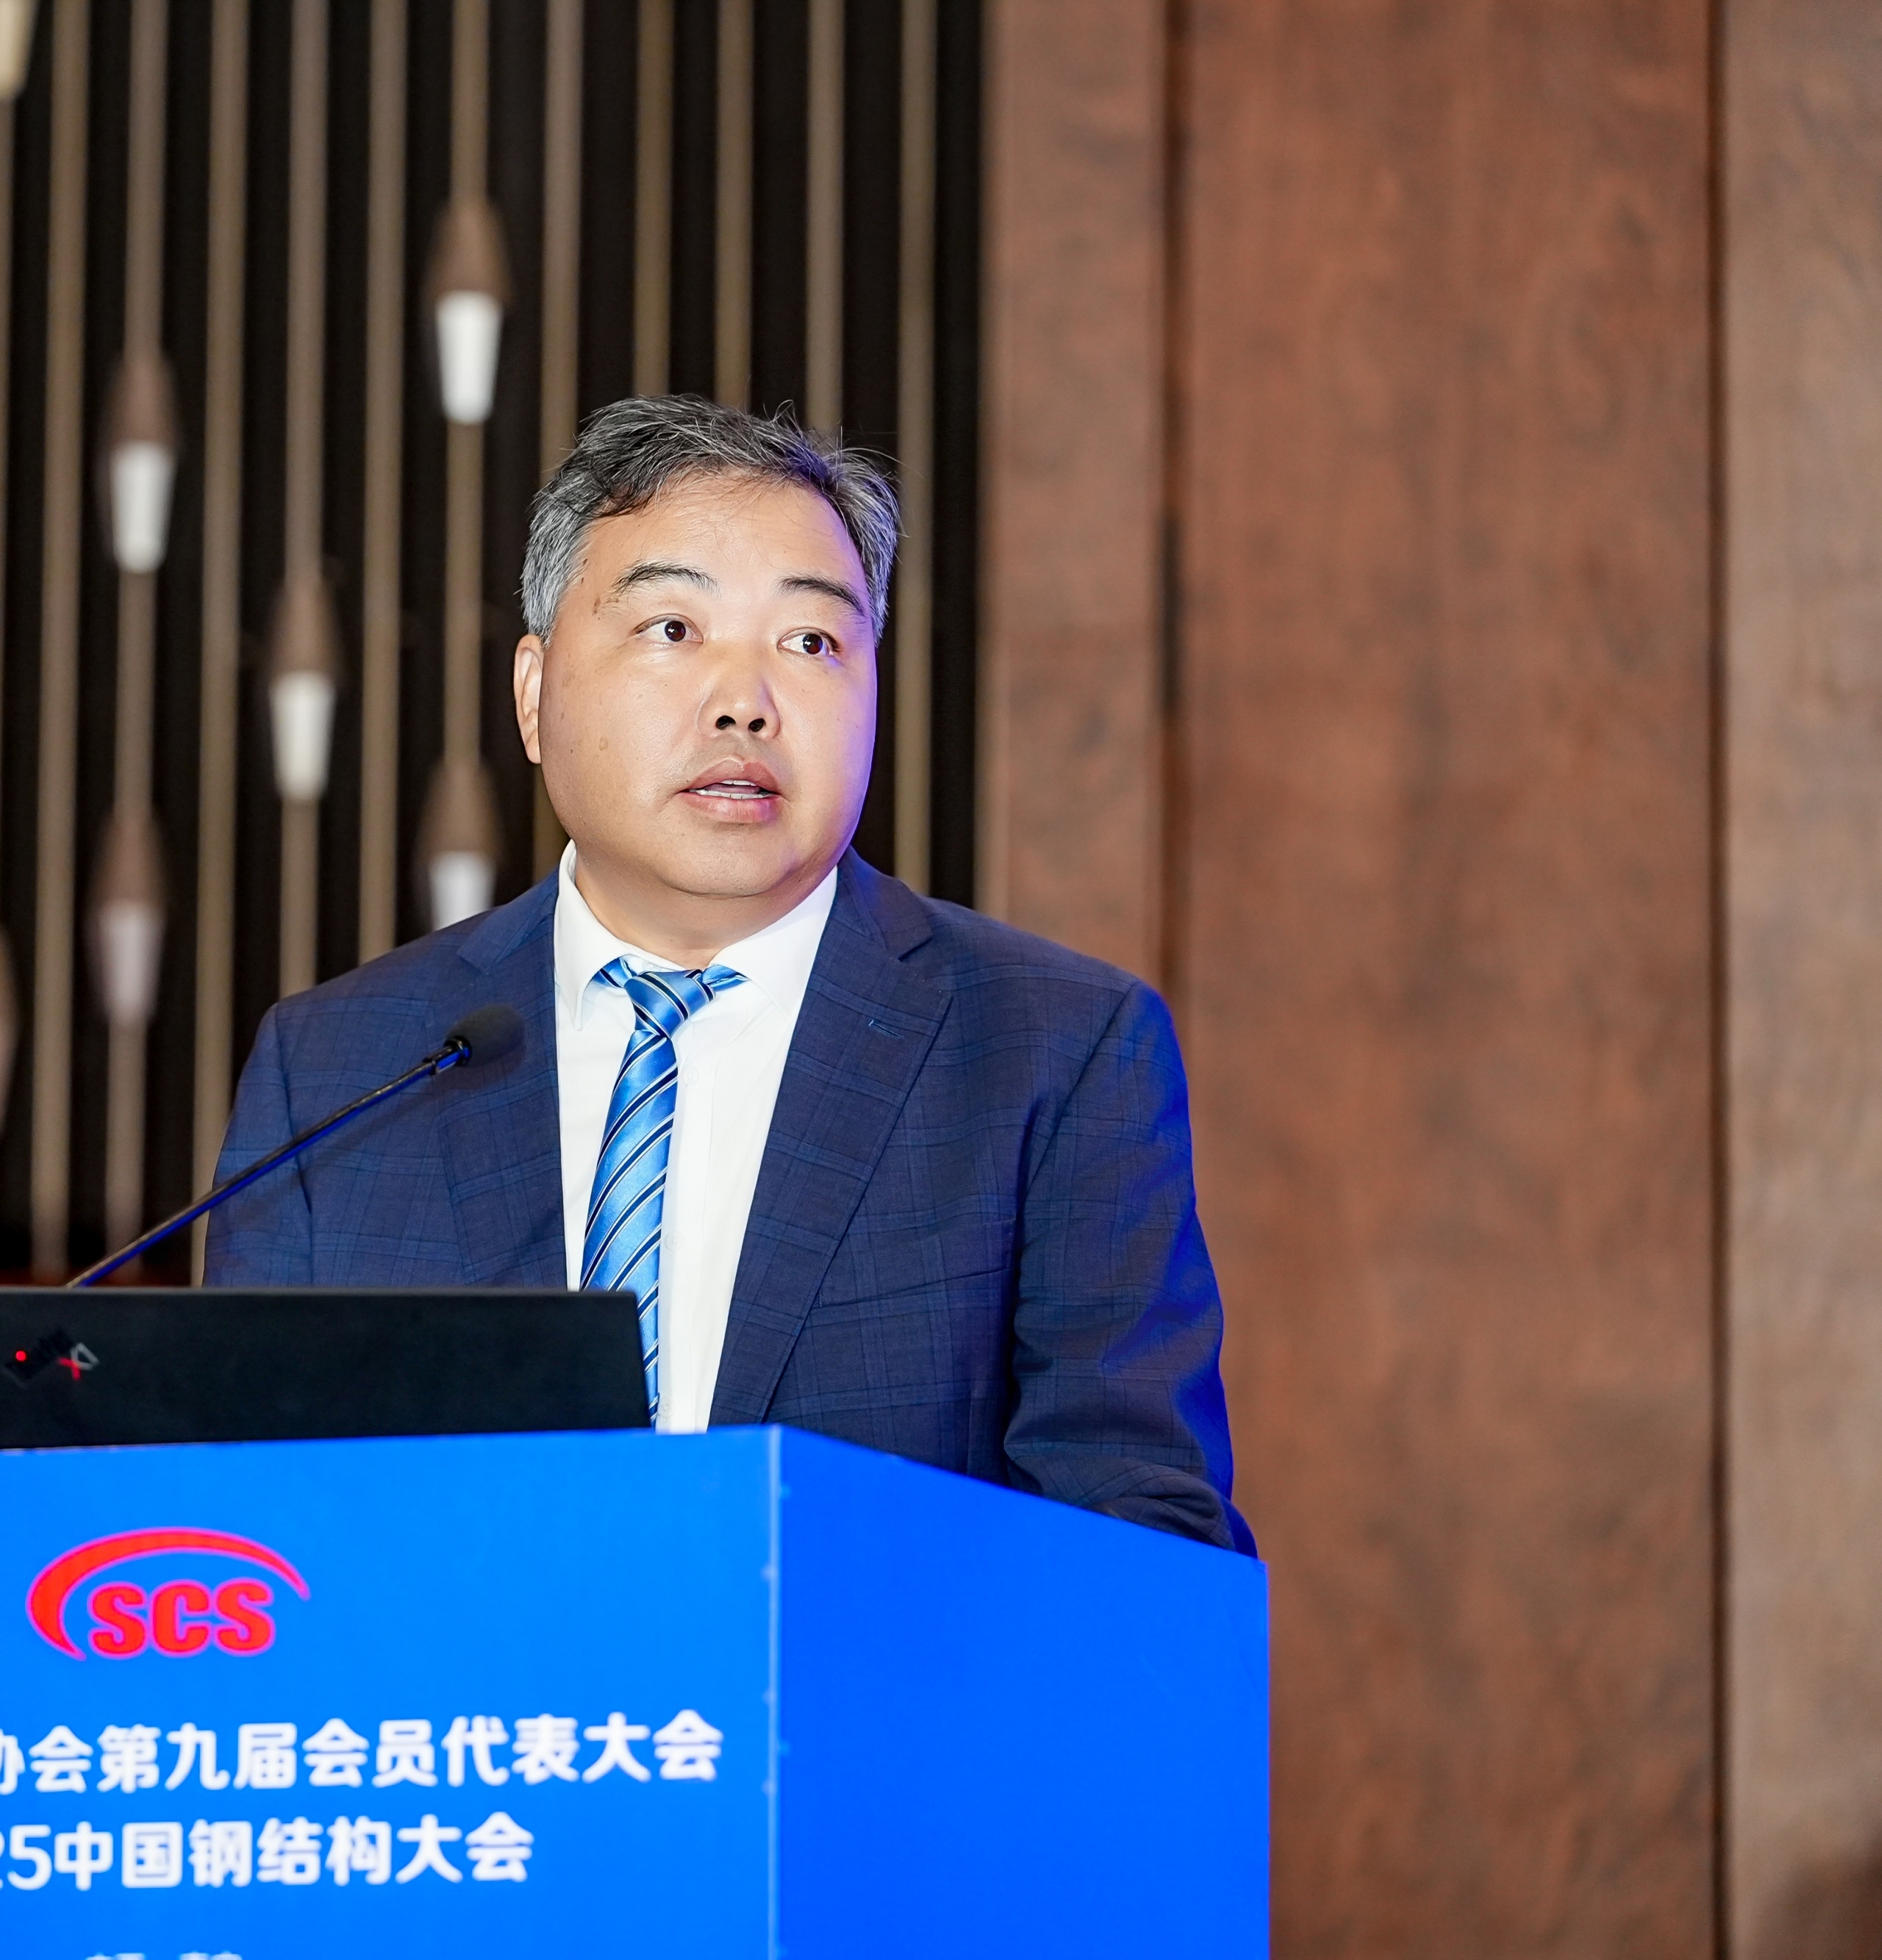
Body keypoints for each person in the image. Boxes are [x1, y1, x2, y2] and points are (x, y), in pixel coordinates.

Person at [209, 395, 1248, 1553]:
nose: (745, 702)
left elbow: (1147, 1541)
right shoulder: (339, 1065)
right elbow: (230, 1530)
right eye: (673, 628)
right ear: (534, 696)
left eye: (811, 643)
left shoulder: (1053, 1053)